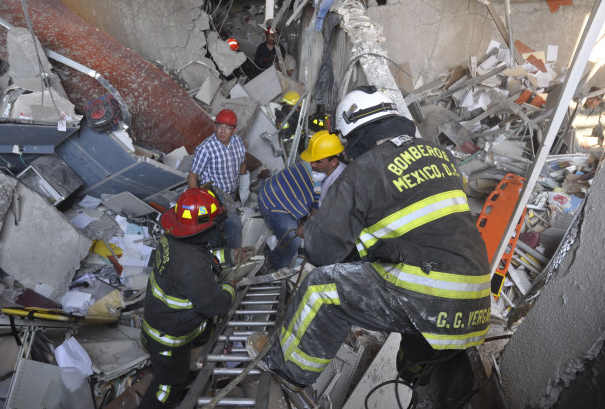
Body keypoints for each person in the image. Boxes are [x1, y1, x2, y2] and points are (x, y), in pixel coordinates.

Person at [248, 86, 491, 391]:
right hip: (476, 298)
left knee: (322, 288)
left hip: (432, 286)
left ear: (354, 135)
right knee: (412, 327)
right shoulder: (441, 155)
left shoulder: (363, 169)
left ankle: (287, 369)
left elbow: (322, 251)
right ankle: (415, 374)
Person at [140, 188, 237, 407]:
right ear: (204, 228)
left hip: (158, 323)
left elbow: (203, 260)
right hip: (169, 339)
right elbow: (215, 304)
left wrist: (231, 256)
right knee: (168, 387)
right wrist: (230, 288)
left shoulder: (174, 239)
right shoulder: (191, 265)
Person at [258, 131, 345, 270]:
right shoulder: (325, 169)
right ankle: (273, 265)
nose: (312, 164)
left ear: (334, 161)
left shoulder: (338, 182)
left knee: (302, 234)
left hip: (281, 194)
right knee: (294, 242)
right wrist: (306, 229)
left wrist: (308, 228)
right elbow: (317, 211)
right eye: (312, 160)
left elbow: (319, 209)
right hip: (273, 202)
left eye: (318, 162)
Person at [188, 109, 249, 248]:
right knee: (234, 225)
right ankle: (232, 257)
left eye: (227, 128)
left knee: (218, 226)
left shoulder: (238, 143)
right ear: (214, 127)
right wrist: (196, 201)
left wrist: (244, 186)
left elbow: (243, 164)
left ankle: (218, 246)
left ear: (234, 130)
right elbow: (193, 175)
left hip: (231, 192)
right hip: (214, 195)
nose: (223, 131)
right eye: (220, 126)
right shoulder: (205, 149)